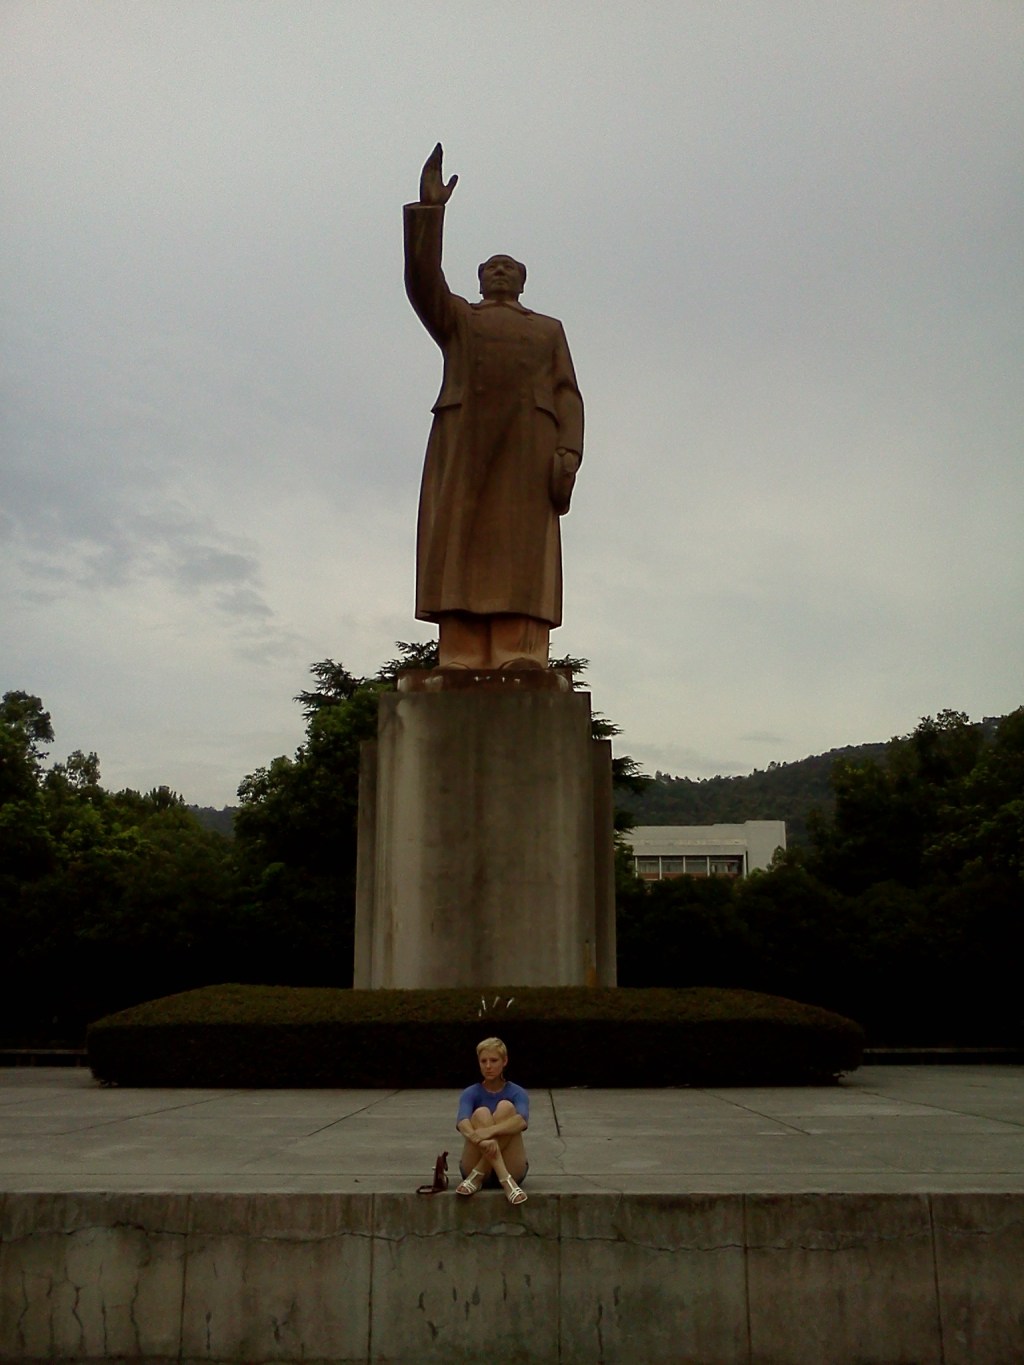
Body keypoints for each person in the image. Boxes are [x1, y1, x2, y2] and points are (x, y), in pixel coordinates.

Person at [404, 144, 584, 671]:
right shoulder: (459, 319)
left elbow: (567, 392)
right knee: (459, 535)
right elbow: (422, 283)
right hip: (466, 437)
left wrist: (569, 451)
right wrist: (430, 214)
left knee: (521, 546)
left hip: (530, 443)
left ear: (522, 280)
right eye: (492, 268)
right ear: (479, 279)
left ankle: (519, 649)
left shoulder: (548, 329)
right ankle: (458, 650)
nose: (500, 273)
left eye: (510, 268)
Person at [455, 1036, 529, 1204]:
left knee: (507, 1108)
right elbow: (462, 1122)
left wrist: (489, 1132)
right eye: (483, 1061)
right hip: (472, 1163)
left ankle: (481, 1174)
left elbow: (522, 1121)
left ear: (505, 1061)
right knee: (481, 1113)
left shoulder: (517, 1092)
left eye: (494, 1060)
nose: (488, 1066)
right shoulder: (471, 1092)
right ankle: (505, 1181)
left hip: (511, 1166)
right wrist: (479, 1140)